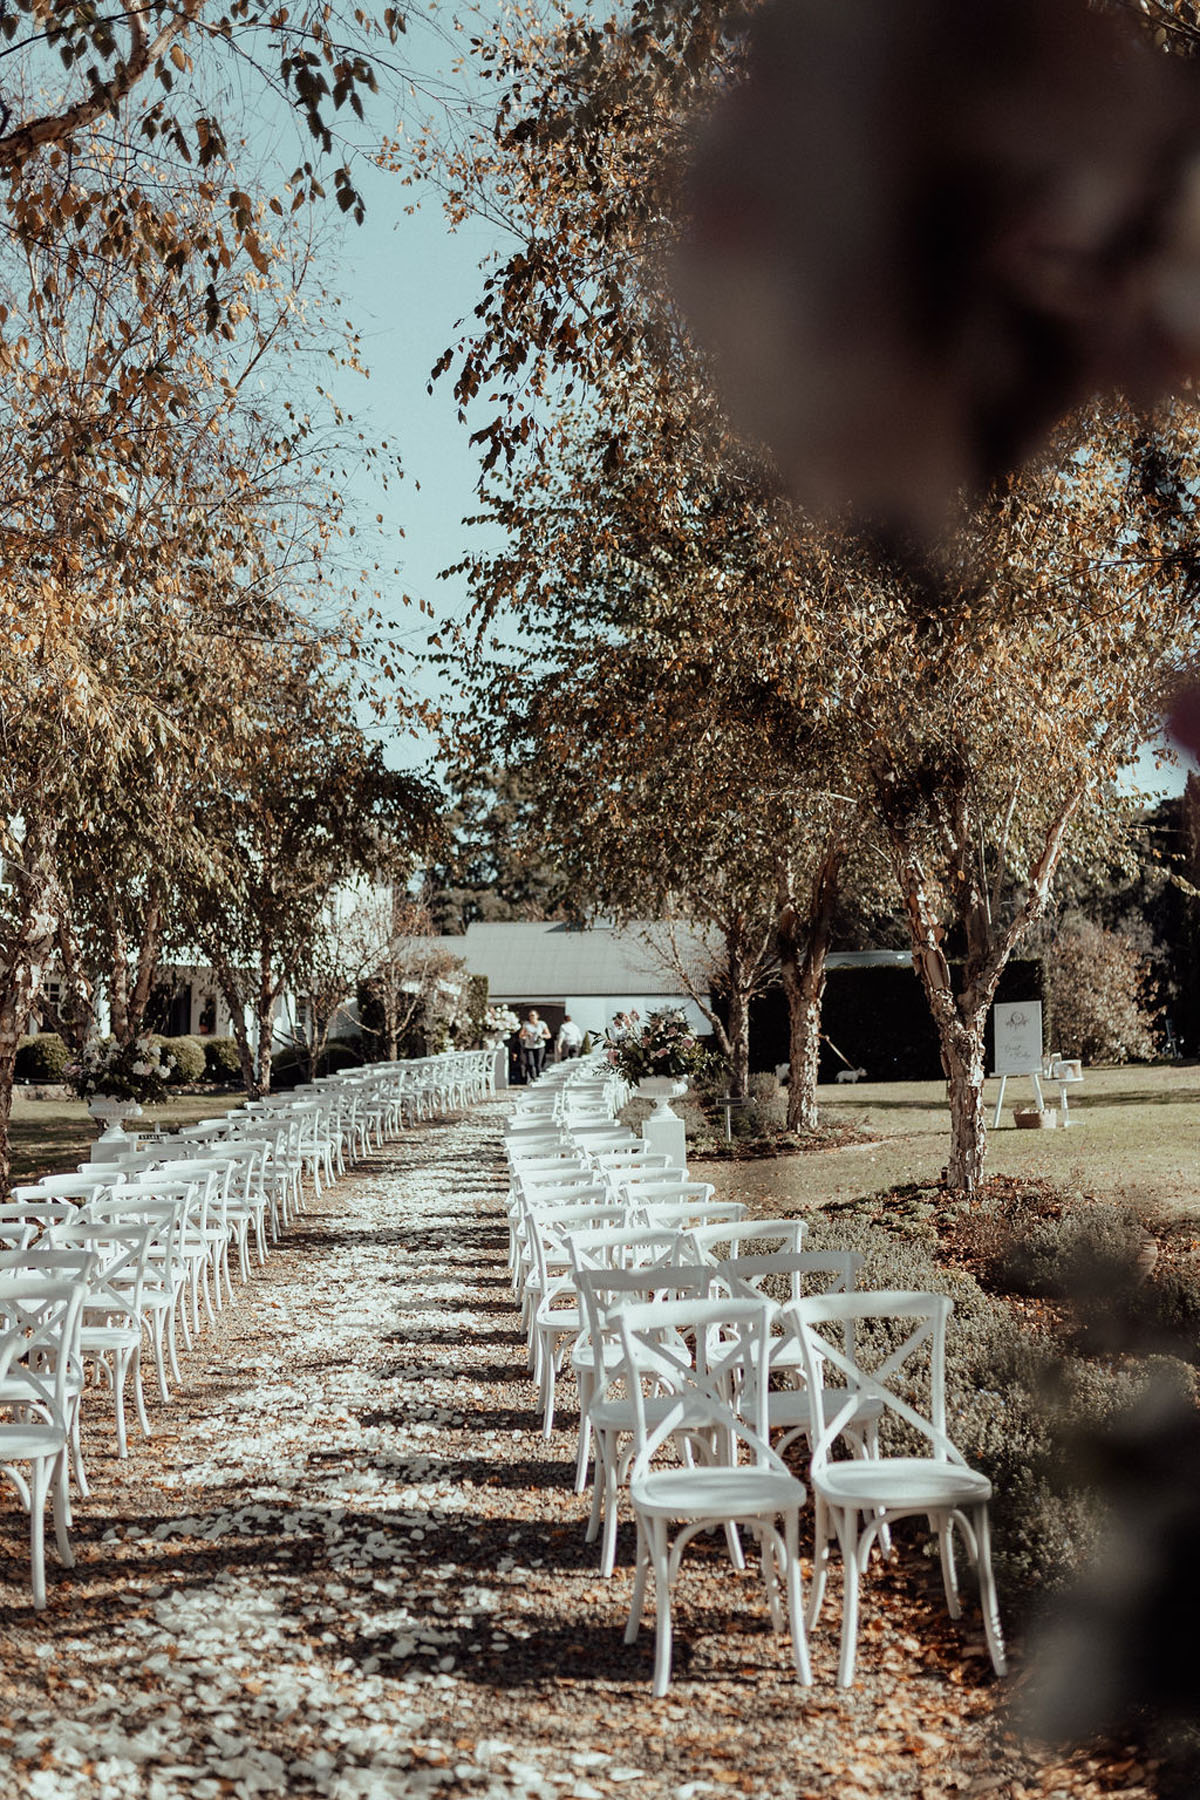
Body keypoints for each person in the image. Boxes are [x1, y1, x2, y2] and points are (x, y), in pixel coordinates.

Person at [518, 1009, 551, 1082]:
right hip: (529, 1046)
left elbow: (549, 1035)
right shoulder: (526, 1024)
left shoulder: (542, 1024)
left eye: (533, 1015)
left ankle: (540, 1078)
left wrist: (542, 1036)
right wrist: (526, 1034)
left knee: (538, 1064)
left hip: (539, 1046)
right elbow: (521, 1035)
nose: (531, 1017)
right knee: (530, 1063)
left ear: (537, 1016)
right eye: (530, 1015)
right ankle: (533, 1078)